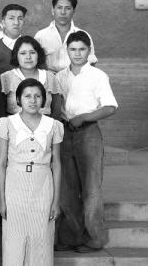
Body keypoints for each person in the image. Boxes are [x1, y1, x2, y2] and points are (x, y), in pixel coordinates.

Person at [53, 31, 118, 253]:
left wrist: (83, 117)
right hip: (64, 132)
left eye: (82, 49)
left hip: (88, 132)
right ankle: (72, 236)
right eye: (73, 49)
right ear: (67, 51)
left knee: (91, 188)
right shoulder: (60, 76)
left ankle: (95, 238)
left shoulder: (97, 75)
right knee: (67, 188)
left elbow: (110, 107)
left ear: (89, 51)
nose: (77, 53)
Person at [0, 78, 63, 266]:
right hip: (14, 187)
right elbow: (1, 163)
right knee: (14, 242)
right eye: (27, 96)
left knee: (41, 239)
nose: (32, 100)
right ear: (18, 99)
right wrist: (2, 199)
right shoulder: (6, 123)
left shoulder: (53, 125)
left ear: (43, 100)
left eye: (37, 96)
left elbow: (56, 164)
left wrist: (56, 201)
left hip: (43, 187)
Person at [34, 0, 98, 73]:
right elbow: (35, 64)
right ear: (53, 10)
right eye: (59, 7)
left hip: (75, 79)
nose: (63, 12)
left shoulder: (84, 35)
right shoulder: (41, 36)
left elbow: (91, 63)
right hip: (48, 81)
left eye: (67, 8)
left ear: (73, 11)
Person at [0, 36, 62, 116]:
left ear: (38, 55)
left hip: (46, 126)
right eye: (23, 53)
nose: (28, 57)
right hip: (13, 126)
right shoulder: (6, 78)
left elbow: (56, 112)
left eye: (32, 52)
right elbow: (0, 111)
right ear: (16, 55)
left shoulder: (50, 77)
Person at [0, 4, 28, 76]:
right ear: (3, 22)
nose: (16, 23)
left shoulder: (32, 46)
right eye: (11, 18)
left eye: (20, 19)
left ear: (24, 22)